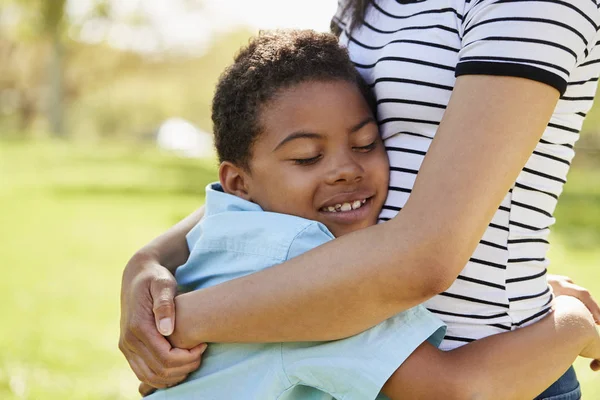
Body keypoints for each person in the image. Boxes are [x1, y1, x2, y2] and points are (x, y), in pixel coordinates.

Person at [119, 1, 600, 398]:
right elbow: (269, 166)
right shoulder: (368, 5)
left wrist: (182, 325)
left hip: (499, 357)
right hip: (380, 356)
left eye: (367, 144)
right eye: (309, 156)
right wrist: (148, 264)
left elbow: (424, 258)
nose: (346, 168)